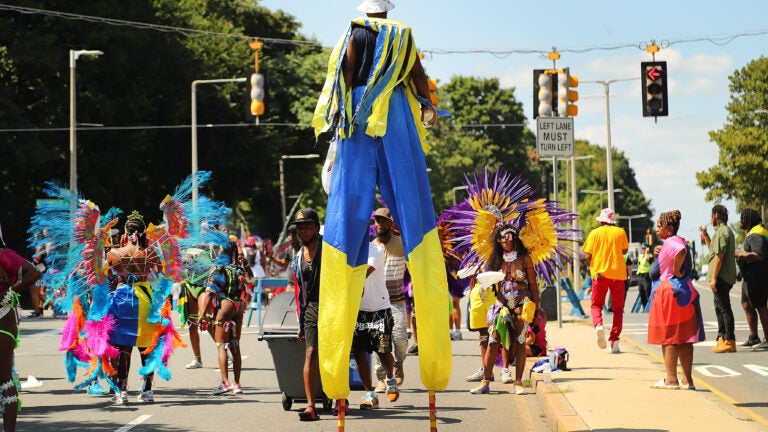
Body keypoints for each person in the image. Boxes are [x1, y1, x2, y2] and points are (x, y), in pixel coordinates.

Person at [312, 0, 451, 403]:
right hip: (394, 117)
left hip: (359, 114)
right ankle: (435, 371)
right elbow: (419, 75)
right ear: (387, 11)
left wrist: (342, 114)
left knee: (347, 212)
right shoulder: (403, 35)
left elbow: (347, 72)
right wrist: (427, 105)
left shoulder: (354, 33)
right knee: (413, 206)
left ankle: (335, 380)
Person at [470, 224, 539, 396]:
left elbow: (533, 286)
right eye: (500, 238)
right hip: (501, 305)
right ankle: (485, 382)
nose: (504, 241)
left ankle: (518, 382)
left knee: (520, 341)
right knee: (494, 340)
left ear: (515, 238)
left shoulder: (525, 259)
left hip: (522, 304)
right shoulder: (495, 260)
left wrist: (535, 311)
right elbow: (487, 283)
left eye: (507, 237)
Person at [106, 212, 164, 404]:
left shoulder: (115, 253)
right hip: (146, 299)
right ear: (142, 233)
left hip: (123, 300)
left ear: (126, 232)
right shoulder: (151, 253)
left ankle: (122, 391)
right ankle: (147, 391)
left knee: (124, 347)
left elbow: (104, 275)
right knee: (147, 346)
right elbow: (161, 274)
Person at [647, 210, 703, 390]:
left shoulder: (672, 242)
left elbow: (679, 252)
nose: (656, 230)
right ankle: (688, 380)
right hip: (684, 293)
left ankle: (671, 379)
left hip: (670, 294)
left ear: (669, 229)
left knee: (669, 337)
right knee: (685, 337)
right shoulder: (675, 241)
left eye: (659, 226)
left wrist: (676, 269)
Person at [0, 231, 42, 431]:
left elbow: (35, 273)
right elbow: (34, 272)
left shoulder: (3, 255)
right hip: (4, 324)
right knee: (6, 382)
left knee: (6, 382)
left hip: (3, 324)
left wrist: (10, 293)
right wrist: (10, 293)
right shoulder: (4, 254)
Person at [198, 238, 250, 395]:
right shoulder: (239, 268)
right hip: (237, 307)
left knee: (221, 346)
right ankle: (237, 383)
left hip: (225, 307)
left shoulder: (218, 268)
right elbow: (250, 282)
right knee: (235, 345)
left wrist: (202, 315)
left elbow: (209, 293)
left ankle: (225, 383)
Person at [353, 237, 400, 409]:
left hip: (379, 309)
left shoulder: (376, 250)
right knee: (359, 353)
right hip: (358, 311)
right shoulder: (347, 250)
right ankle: (369, 394)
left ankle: (390, 379)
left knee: (383, 351)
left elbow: (364, 271)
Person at [370, 208, 408, 393]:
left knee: (400, 339)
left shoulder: (401, 244)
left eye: (383, 221)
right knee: (380, 343)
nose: (379, 224)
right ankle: (381, 379)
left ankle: (398, 363)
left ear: (390, 223)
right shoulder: (371, 247)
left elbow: (414, 264)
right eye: (377, 221)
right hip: (376, 303)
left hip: (397, 301)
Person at [582, 208, 629, 353]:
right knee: (618, 310)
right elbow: (624, 251)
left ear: (601, 220)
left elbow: (587, 255)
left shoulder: (594, 233)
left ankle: (599, 326)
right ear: (612, 221)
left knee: (596, 305)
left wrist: (596, 262)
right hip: (618, 276)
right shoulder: (620, 232)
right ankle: (614, 342)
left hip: (600, 275)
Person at [291, 208, 323, 421]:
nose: (302, 231)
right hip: (311, 309)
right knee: (310, 354)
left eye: (307, 226)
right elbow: (299, 291)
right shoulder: (298, 256)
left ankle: (340, 398)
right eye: (299, 227)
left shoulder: (330, 249)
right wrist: (301, 321)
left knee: (334, 355)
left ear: (317, 228)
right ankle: (311, 406)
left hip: (333, 307)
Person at [700, 204, 737, 353]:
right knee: (718, 308)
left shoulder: (723, 232)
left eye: (711, 215)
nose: (710, 218)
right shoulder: (720, 232)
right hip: (720, 277)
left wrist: (714, 278)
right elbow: (712, 251)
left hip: (721, 277)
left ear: (716, 215)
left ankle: (730, 340)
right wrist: (705, 234)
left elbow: (719, 257)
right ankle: (722, 337)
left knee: (724, 308)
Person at [734, 208, 768, 349]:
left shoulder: (757, 234)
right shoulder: (752, 233)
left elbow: (758, 255)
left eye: (743, 218)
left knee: (761, 307)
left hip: (758, 276)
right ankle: (753, 337)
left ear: (748, 219)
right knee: (746, 304)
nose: (740, 221)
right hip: (749, 277)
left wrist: (740, 255)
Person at [636, 243, 654, 310]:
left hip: (647, 278)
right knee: (642, 294)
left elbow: (647, 259)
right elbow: (635, 261)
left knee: (647, 294)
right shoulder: (640, 256)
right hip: (640, 277)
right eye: (642, 248)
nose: (643, 250)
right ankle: (644, 308)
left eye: (644, 248)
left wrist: (647, 252)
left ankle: (650, 309)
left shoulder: (650, 256)